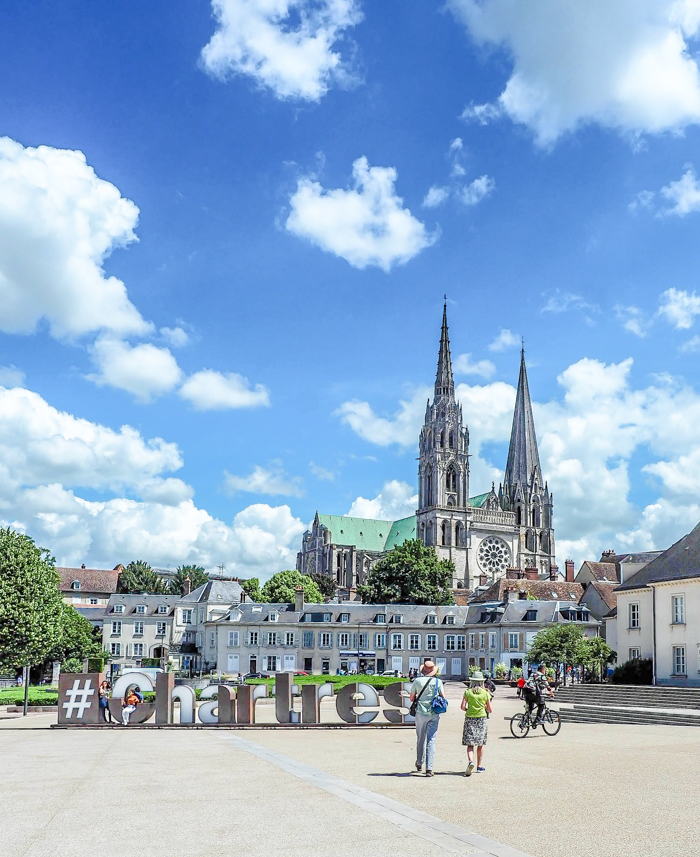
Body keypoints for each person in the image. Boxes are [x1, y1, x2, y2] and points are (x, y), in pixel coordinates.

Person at [409, 659, 444, 777]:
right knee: (431, 740)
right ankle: (429, 768)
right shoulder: (438, 682)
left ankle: (419, 763)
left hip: (420, 713)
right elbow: (443, 697)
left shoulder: (417, 681)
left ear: (423, 670)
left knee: (420, 738)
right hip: (434, 713)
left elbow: (411, 698)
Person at [461, 671, 492, 776]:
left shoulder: (467, 692)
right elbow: (490, 709)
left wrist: (468, 710)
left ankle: (471, 762)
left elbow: (462, 706)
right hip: (481, 719)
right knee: (480, 743)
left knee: (470, 744)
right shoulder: (485, 693)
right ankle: (479, 766)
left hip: (470, 718)